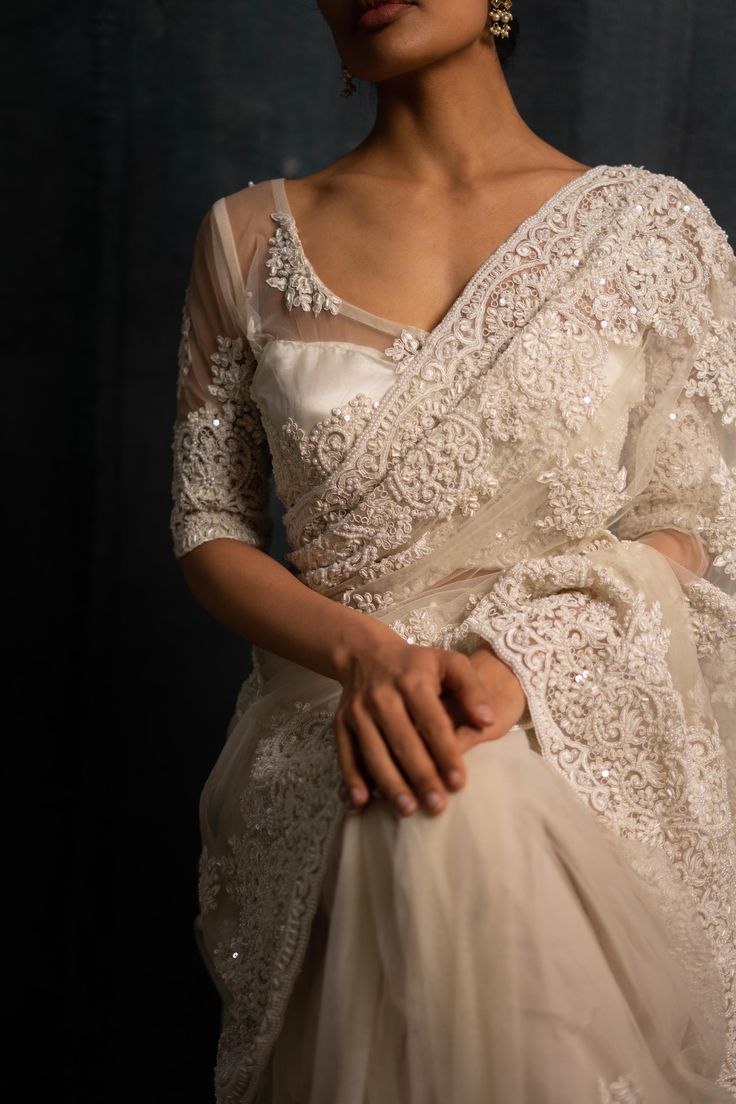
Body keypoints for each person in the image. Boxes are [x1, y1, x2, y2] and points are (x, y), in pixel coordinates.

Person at [169, 1, 736, 1100]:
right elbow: (209, 526)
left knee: (456, 799)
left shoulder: (649, 232)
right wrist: (367, 659)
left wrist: (519, 670)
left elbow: (700, 527)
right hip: (334, 724)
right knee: (415, 797)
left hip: (574, 713)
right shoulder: (247, 236)